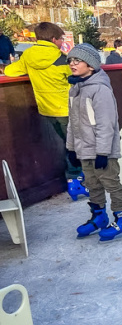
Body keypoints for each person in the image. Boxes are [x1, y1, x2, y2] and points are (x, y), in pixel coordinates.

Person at [0, 22, 87, 200]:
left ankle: (76, 178)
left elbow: (10, 70)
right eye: (61, 39)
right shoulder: (61, 58)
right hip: (66, 108)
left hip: (47, 109)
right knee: (75, 144)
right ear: (53, 39)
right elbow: (77, 76)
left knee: (69, 143)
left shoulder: (28, 55)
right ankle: (75, 180)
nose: (62, 42)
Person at [65, 43, 122, 241]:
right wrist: (71, 148)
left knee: (111, 184)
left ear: (91, 65)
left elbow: (106, 124)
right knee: (92, 184)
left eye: (77, 60)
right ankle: (99, 216)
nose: (72, 64)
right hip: (83, 149)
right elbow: (73, 122)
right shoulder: (75, 89)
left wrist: (103, 153)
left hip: (102, 151)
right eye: (70, 60)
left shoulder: (100, 90)